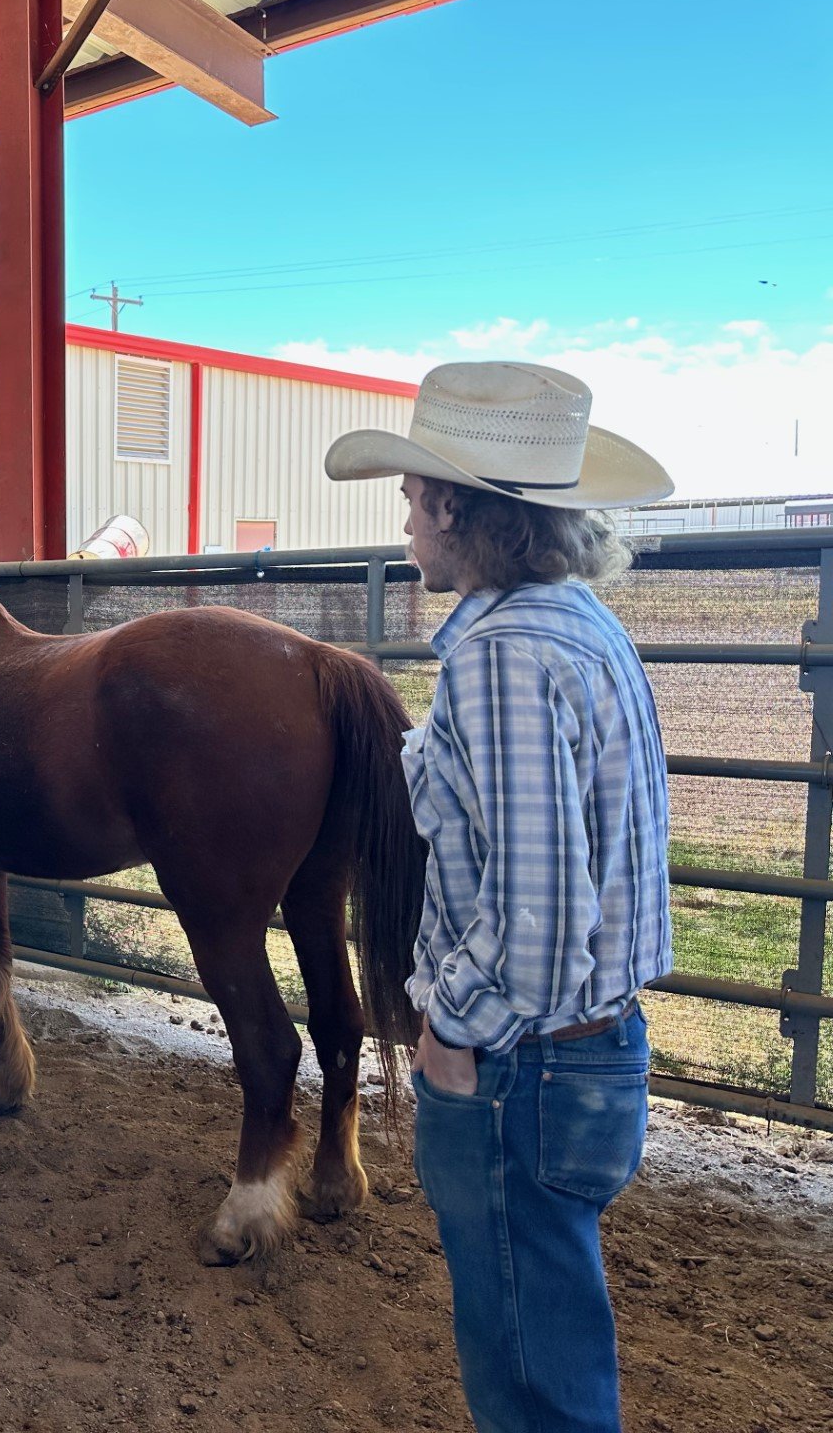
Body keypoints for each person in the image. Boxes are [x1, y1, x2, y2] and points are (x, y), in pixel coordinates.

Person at [325, 361, 676, 1432]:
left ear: (454, 506)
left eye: (413, 491)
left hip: (524, 1065)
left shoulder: (502, 657)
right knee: (550, 1337)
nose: (405, 511)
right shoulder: (576, 626)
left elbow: (540, 924)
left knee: (527, 1376)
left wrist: (450, 1031)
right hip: (583, 1052)